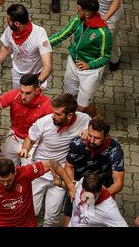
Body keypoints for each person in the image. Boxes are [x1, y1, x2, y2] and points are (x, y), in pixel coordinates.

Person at [19, 93, 91, 227]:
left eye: (58, 114)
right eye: (53, 112)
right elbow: (29, 139)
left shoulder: (84, 119)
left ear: (70, 116)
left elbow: (92, 123)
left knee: (52, 218)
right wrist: (25, 150)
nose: (53, 116)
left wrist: (88, 130)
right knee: (31, 211)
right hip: (39, 173)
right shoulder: (44, 123)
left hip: (60, 176)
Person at [49, 0, 112, 117]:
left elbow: (105, 57)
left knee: (82, 107)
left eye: (79, 9)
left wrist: (89, 65)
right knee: (69, 97)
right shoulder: (78, 20)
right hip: (73, 63)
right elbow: (63, 34)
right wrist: (44, 43)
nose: (77, 11)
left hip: (90, 71)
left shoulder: (103, 33)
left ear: (87, 13)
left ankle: (94, 117)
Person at [0, 158, 75, 227]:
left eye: (9, 180)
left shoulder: (25, 173)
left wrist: (70, 186)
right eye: (2, 181)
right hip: (3, 224)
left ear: (15, 172)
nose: (5, 184)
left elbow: (53, 163)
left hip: (28, 224)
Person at [63, 116, 125, 226]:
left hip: (101, 188)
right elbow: (69, 166)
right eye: (90, 135)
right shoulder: (77, 143)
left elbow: (119, 183)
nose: (91, 140)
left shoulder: (115, 151)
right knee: (70, 218)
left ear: (106, 137)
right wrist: (72, 187)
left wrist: (101, 196)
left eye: (96, 138)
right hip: (79, 186)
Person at [0, 74, 53, 166]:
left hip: (34, 142)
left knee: (28, 172)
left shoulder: (47, 105)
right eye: (22, 92)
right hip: (15, 136)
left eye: (28, 93)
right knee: (8, 166)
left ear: (37, 90)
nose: (23, 96)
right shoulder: (14, 95)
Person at [0, 4, 52, 89]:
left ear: (16, 24)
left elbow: (47, 64)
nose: (5, 20)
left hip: (35, 76)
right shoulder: (10, 30)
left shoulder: (39, 34)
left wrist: (37, 84)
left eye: (8, 20)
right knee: (17, 98)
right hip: (17, 74)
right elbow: (5, 47)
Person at [57, 173, 128, 227]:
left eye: (92, 198)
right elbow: (74, 186)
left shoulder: (109, 209)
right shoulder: (82, 182)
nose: (86, 201)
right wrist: (60, 183)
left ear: (100, 191)